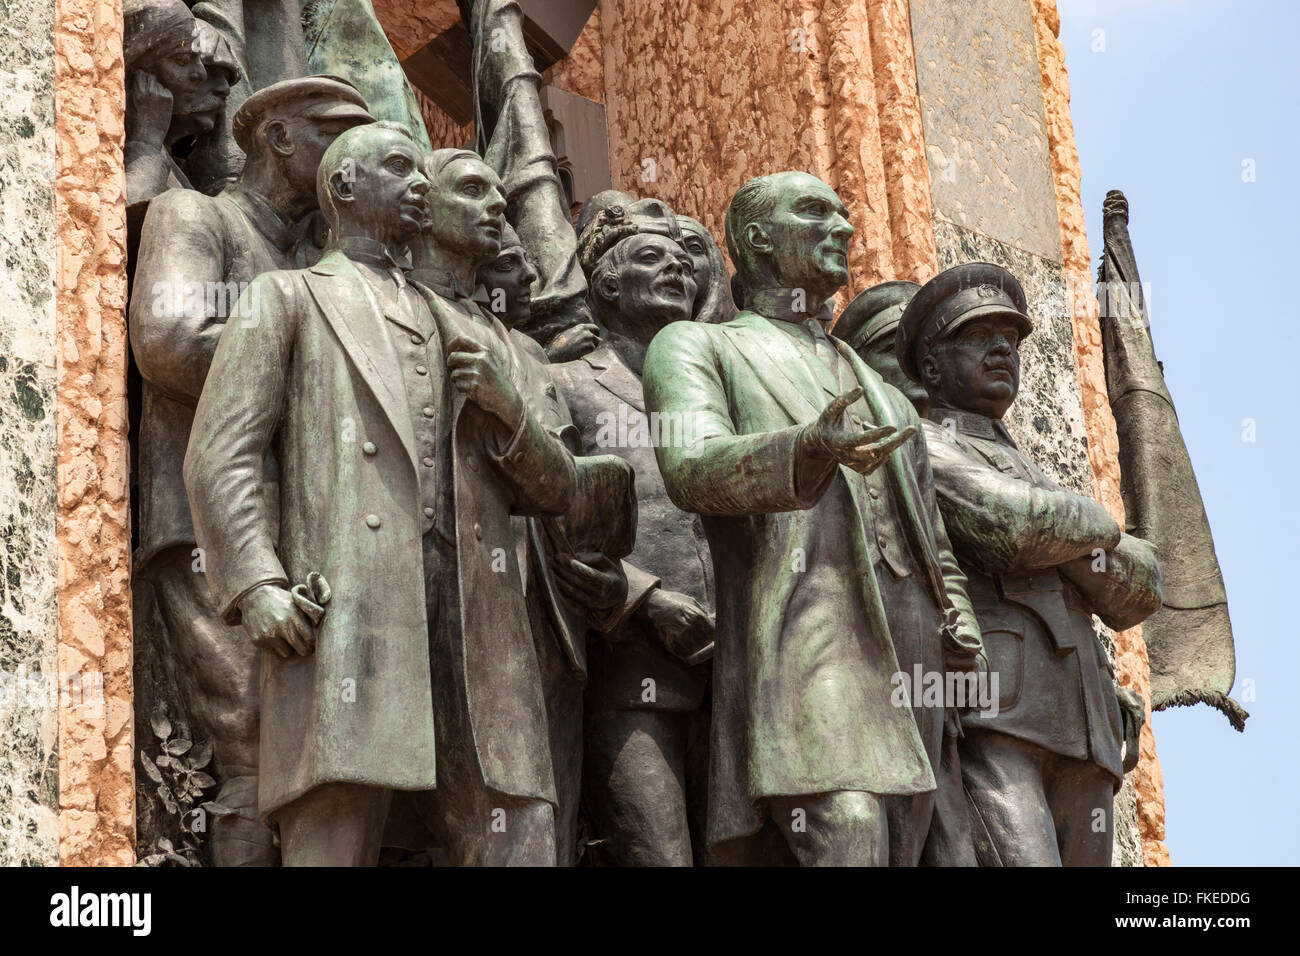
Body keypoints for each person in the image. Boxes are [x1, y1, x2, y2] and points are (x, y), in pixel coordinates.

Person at [184, 125, 577, 865]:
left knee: (517, 836)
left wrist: (510, 411)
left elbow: (559, 489)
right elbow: (221, 454)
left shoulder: (478, 330)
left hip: (480, 627)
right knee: (337, 833)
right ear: (342, 188)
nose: (419, 183)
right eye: (399, 168)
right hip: (347, 614)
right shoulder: (287, 298)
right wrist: (257, 582)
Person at [642, 171, 982, 866]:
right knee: (847, 826)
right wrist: (805, 450)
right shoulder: (697, 347)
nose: (845, 227)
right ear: (757, 240)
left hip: (910, 648)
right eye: (815, 211)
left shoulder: (890, 396)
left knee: (898, 846)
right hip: (803, 633)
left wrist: (959, 617)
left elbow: (932, 540)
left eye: (845, 211)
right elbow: (690, 467)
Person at [130, 75, 373, 866]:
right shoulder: (196, 215)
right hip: (207, 525)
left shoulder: (311, 261)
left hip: (294, 525)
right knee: (254, 748)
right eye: (337, 136)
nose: (354, 161)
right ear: (276, 137)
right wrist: (305, 369)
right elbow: (167, 338)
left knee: (308, 758)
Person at [899, 261, 1161, 866]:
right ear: (932, 364)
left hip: (1085, 723)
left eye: (1011, 340)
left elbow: (1142, 588)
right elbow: (1010, 528)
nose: (1001, 350)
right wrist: (1096, 532)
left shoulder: (1032, 473)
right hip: (994, 711)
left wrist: (1058, 528)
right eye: (976, 336)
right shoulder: (922, 443)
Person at [552, 201, 716, 866]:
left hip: (731, 670)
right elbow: (548, 522)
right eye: (652, 258)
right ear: (608, 286)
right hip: (629, 670)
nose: (676, 267)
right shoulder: (565, 381)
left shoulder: (717, 390)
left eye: (683, 261)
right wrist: (647, 602)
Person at [472, 220, 637, 865]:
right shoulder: (444, 332)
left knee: (553, 812)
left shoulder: (536, 358)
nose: (532, 279)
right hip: (484, 588)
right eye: (512, 264)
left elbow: (573, 479)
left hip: (557, 607)